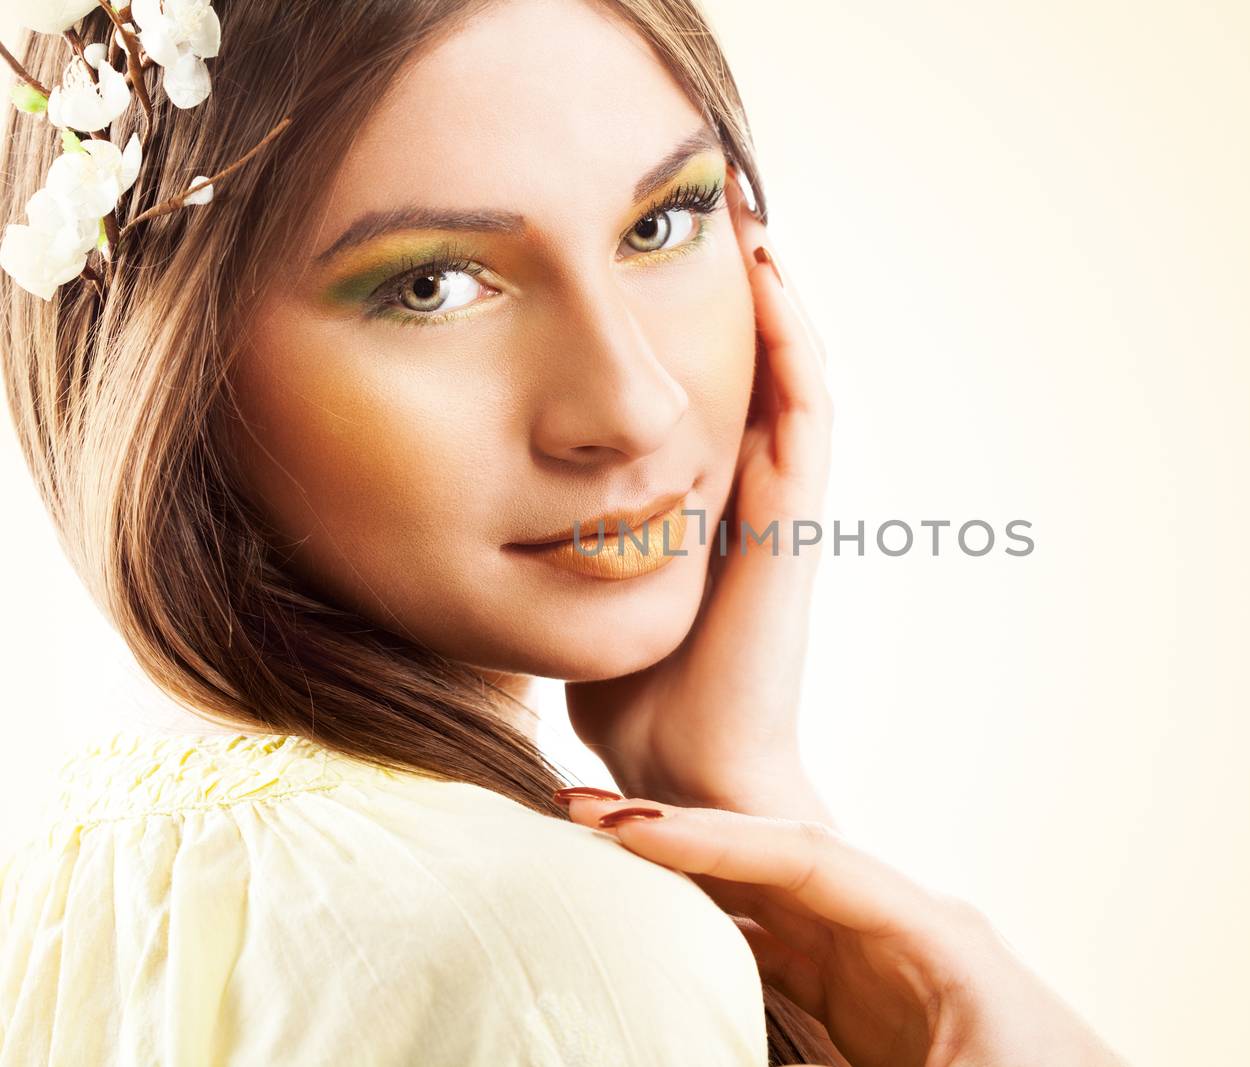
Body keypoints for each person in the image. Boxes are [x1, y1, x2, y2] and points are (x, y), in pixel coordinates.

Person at [0, 1, 1126, 1064]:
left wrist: (733, 784)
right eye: (432, 284)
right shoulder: (549, 943)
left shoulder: (69, 883)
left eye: (661, 221)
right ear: (160, 363)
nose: (635, 404)